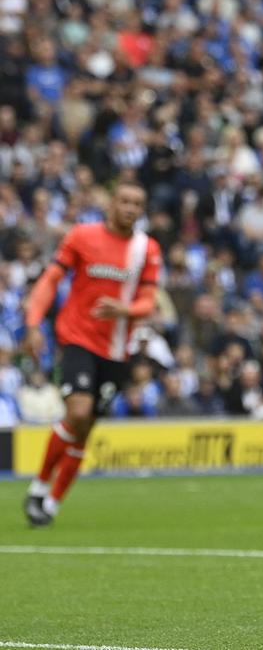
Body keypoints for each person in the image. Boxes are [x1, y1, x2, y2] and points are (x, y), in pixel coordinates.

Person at [21, 181, 163, 526]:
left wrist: (125, 310)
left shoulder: (147, 249)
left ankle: (51, 504)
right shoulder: (82, 236)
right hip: (78, 339)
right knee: (78, 411)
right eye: (124, 201)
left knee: (86, 428)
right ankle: (40, 485)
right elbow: (51, 279)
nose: (130, 208)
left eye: (137, 203)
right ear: (111, 203)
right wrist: (33, 322)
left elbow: (148, 300)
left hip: (116, 350)